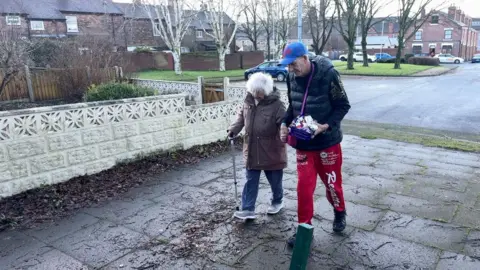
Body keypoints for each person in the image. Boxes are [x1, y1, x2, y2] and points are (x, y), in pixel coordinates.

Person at [278, 42, 351, 247]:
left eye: (293, 64)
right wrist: (284, 123)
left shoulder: (329, 74)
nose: (291, 70)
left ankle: (339, 212)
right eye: (288, 66)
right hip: (304, 143)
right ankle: (304, 229)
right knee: (303, 188)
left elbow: (343, 105)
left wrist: (325, 126)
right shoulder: (292, 77)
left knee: (332, 185)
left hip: (327, 142)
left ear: (305, 58)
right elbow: (293, 107)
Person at [227, 72, 287, 220]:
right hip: (252, 148)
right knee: (250, 180)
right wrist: (233, 129)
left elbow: (284, 124)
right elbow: (241, 117)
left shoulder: (277, 105)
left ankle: (277, 201)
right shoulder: (248, 101)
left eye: (259, 92)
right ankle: (248, 209)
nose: (256, 94)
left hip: (271, 149)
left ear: (267, 90)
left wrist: (286, 132)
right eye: (254, 91)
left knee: (275, 180)